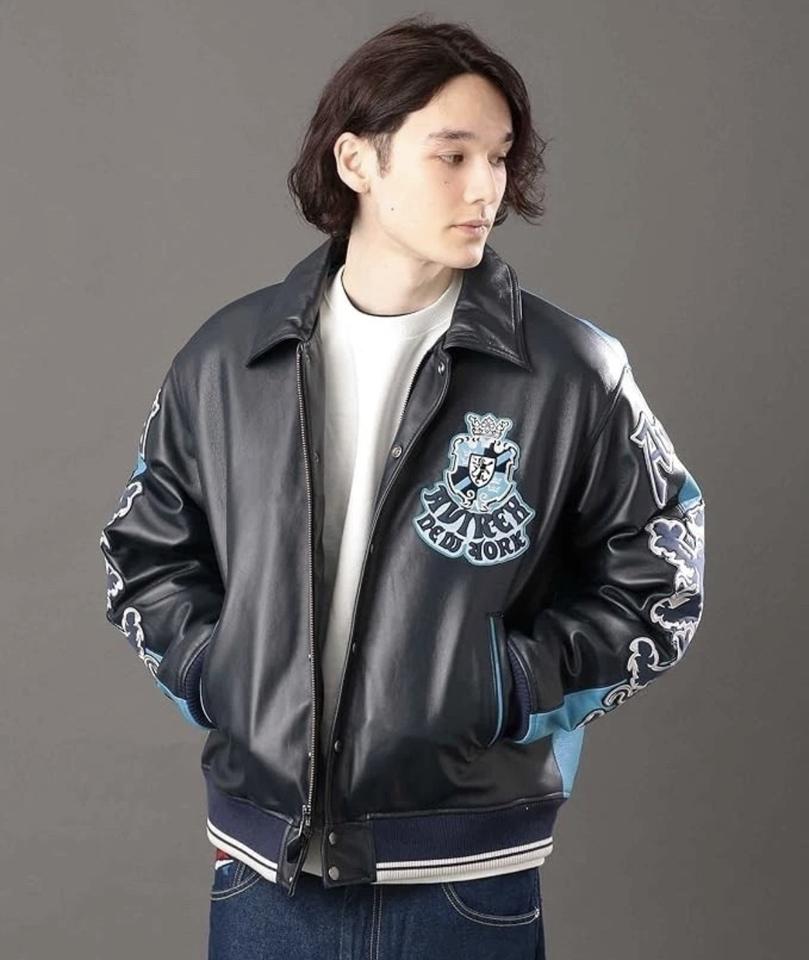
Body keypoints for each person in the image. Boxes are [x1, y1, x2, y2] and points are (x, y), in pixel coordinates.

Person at [98, 14, 706, 960]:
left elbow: (662, 575)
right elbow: (144, 555)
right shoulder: (226, 361)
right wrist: (221, 676)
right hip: (263, 872)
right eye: (451, 155)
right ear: (356, 162)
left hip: (464, 876)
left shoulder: (570, 372)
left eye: (498, 157)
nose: (486, 187)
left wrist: (509, 686)